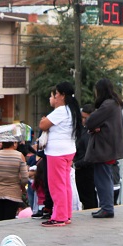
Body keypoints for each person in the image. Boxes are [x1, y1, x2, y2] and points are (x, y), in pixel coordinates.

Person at [38, 81, 81, 227]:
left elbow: (43, 125)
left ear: (62, 95)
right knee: (65, 184)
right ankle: (66, 214)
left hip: (57, 152)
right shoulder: (72, 110)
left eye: (56, 94)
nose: (55, 96)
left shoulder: (61, 111)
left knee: (57, 186)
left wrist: (44, 119)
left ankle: (59, 217)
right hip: (68, 150)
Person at [84, 78, 123, 218]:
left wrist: (96, 127)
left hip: (104, 148)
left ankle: (107, 207)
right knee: (104, 177)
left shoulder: (107, 105)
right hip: (109, 147)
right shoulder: (114, 104)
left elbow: (90, 121)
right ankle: (106, 206)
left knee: (102, 178)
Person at [0, 140, 29, 221]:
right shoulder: (19, 156)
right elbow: (25, 178)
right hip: (13, 193)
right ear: (14, 144)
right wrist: (22, 187)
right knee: (9, 221)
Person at [73, 104, 98, 210]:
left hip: (86, 170)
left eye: (85, 118)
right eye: (82, 117)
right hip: (81, 169)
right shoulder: (83, 131)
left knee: (88, 198)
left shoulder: (90, 133)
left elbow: (90, 155)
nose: (83, 120)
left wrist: (76, 164)